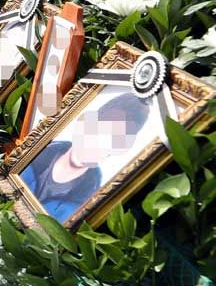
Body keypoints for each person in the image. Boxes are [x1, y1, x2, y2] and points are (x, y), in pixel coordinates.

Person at [19, 90, 151, 224]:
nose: (99, 142)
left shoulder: (85, 206)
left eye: (113, 139)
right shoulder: (31, 153)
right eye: (101, 127)